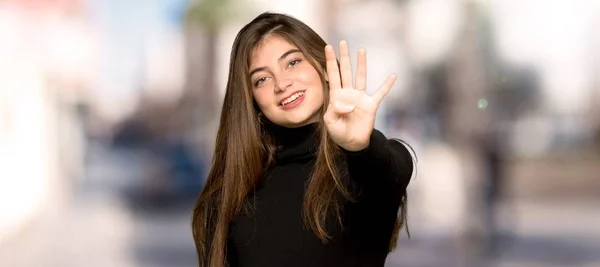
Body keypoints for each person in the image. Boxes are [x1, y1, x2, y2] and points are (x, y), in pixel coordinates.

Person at [192, 12, 415, 267]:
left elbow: (393, 170)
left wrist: (360, 147)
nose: (282, 83)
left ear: (323, 65)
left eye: (293, 63)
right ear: (251, 100)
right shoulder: (230, 192)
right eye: (262, 79)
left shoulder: (362, 168)